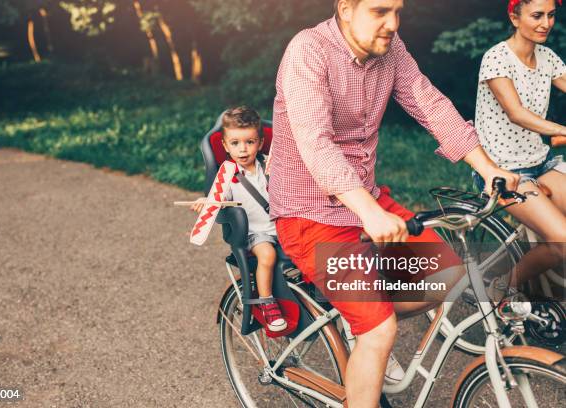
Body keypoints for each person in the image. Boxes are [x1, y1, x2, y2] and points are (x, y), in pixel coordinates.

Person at [269, 0, 519, 406]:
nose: (392, 23)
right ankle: (368, 329)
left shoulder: (390, 49)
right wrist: (367, 210)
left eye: (398, 11)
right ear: (346, 8)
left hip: (368, 202)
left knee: (449, 280)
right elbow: (316, 144)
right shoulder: (308, 50)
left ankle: (362, 320)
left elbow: (430, 104)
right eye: (380, 11)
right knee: (380, 331)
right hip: (310, 212)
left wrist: (488, 168)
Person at [474, 0, 566, 298]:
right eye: (537, 15)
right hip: (503, 171)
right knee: (561, 241)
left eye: (551, 15)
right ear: (515, 18)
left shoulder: (547, 57)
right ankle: (500, 287)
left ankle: (548, 282)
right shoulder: (497, 58)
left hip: (541, 163)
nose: (546, 23)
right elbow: (517, 113)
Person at [192, 106, 287, 332]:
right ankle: (267, 302)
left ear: (260, 143)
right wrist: (206, 202)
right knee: (267, 255)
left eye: (249, 142)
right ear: (225, 146)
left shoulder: (269, 163)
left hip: (281, 225)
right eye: (235, 143)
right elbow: (218, 198)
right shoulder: (227, 174)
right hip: (254, 232)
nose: (243, 149)